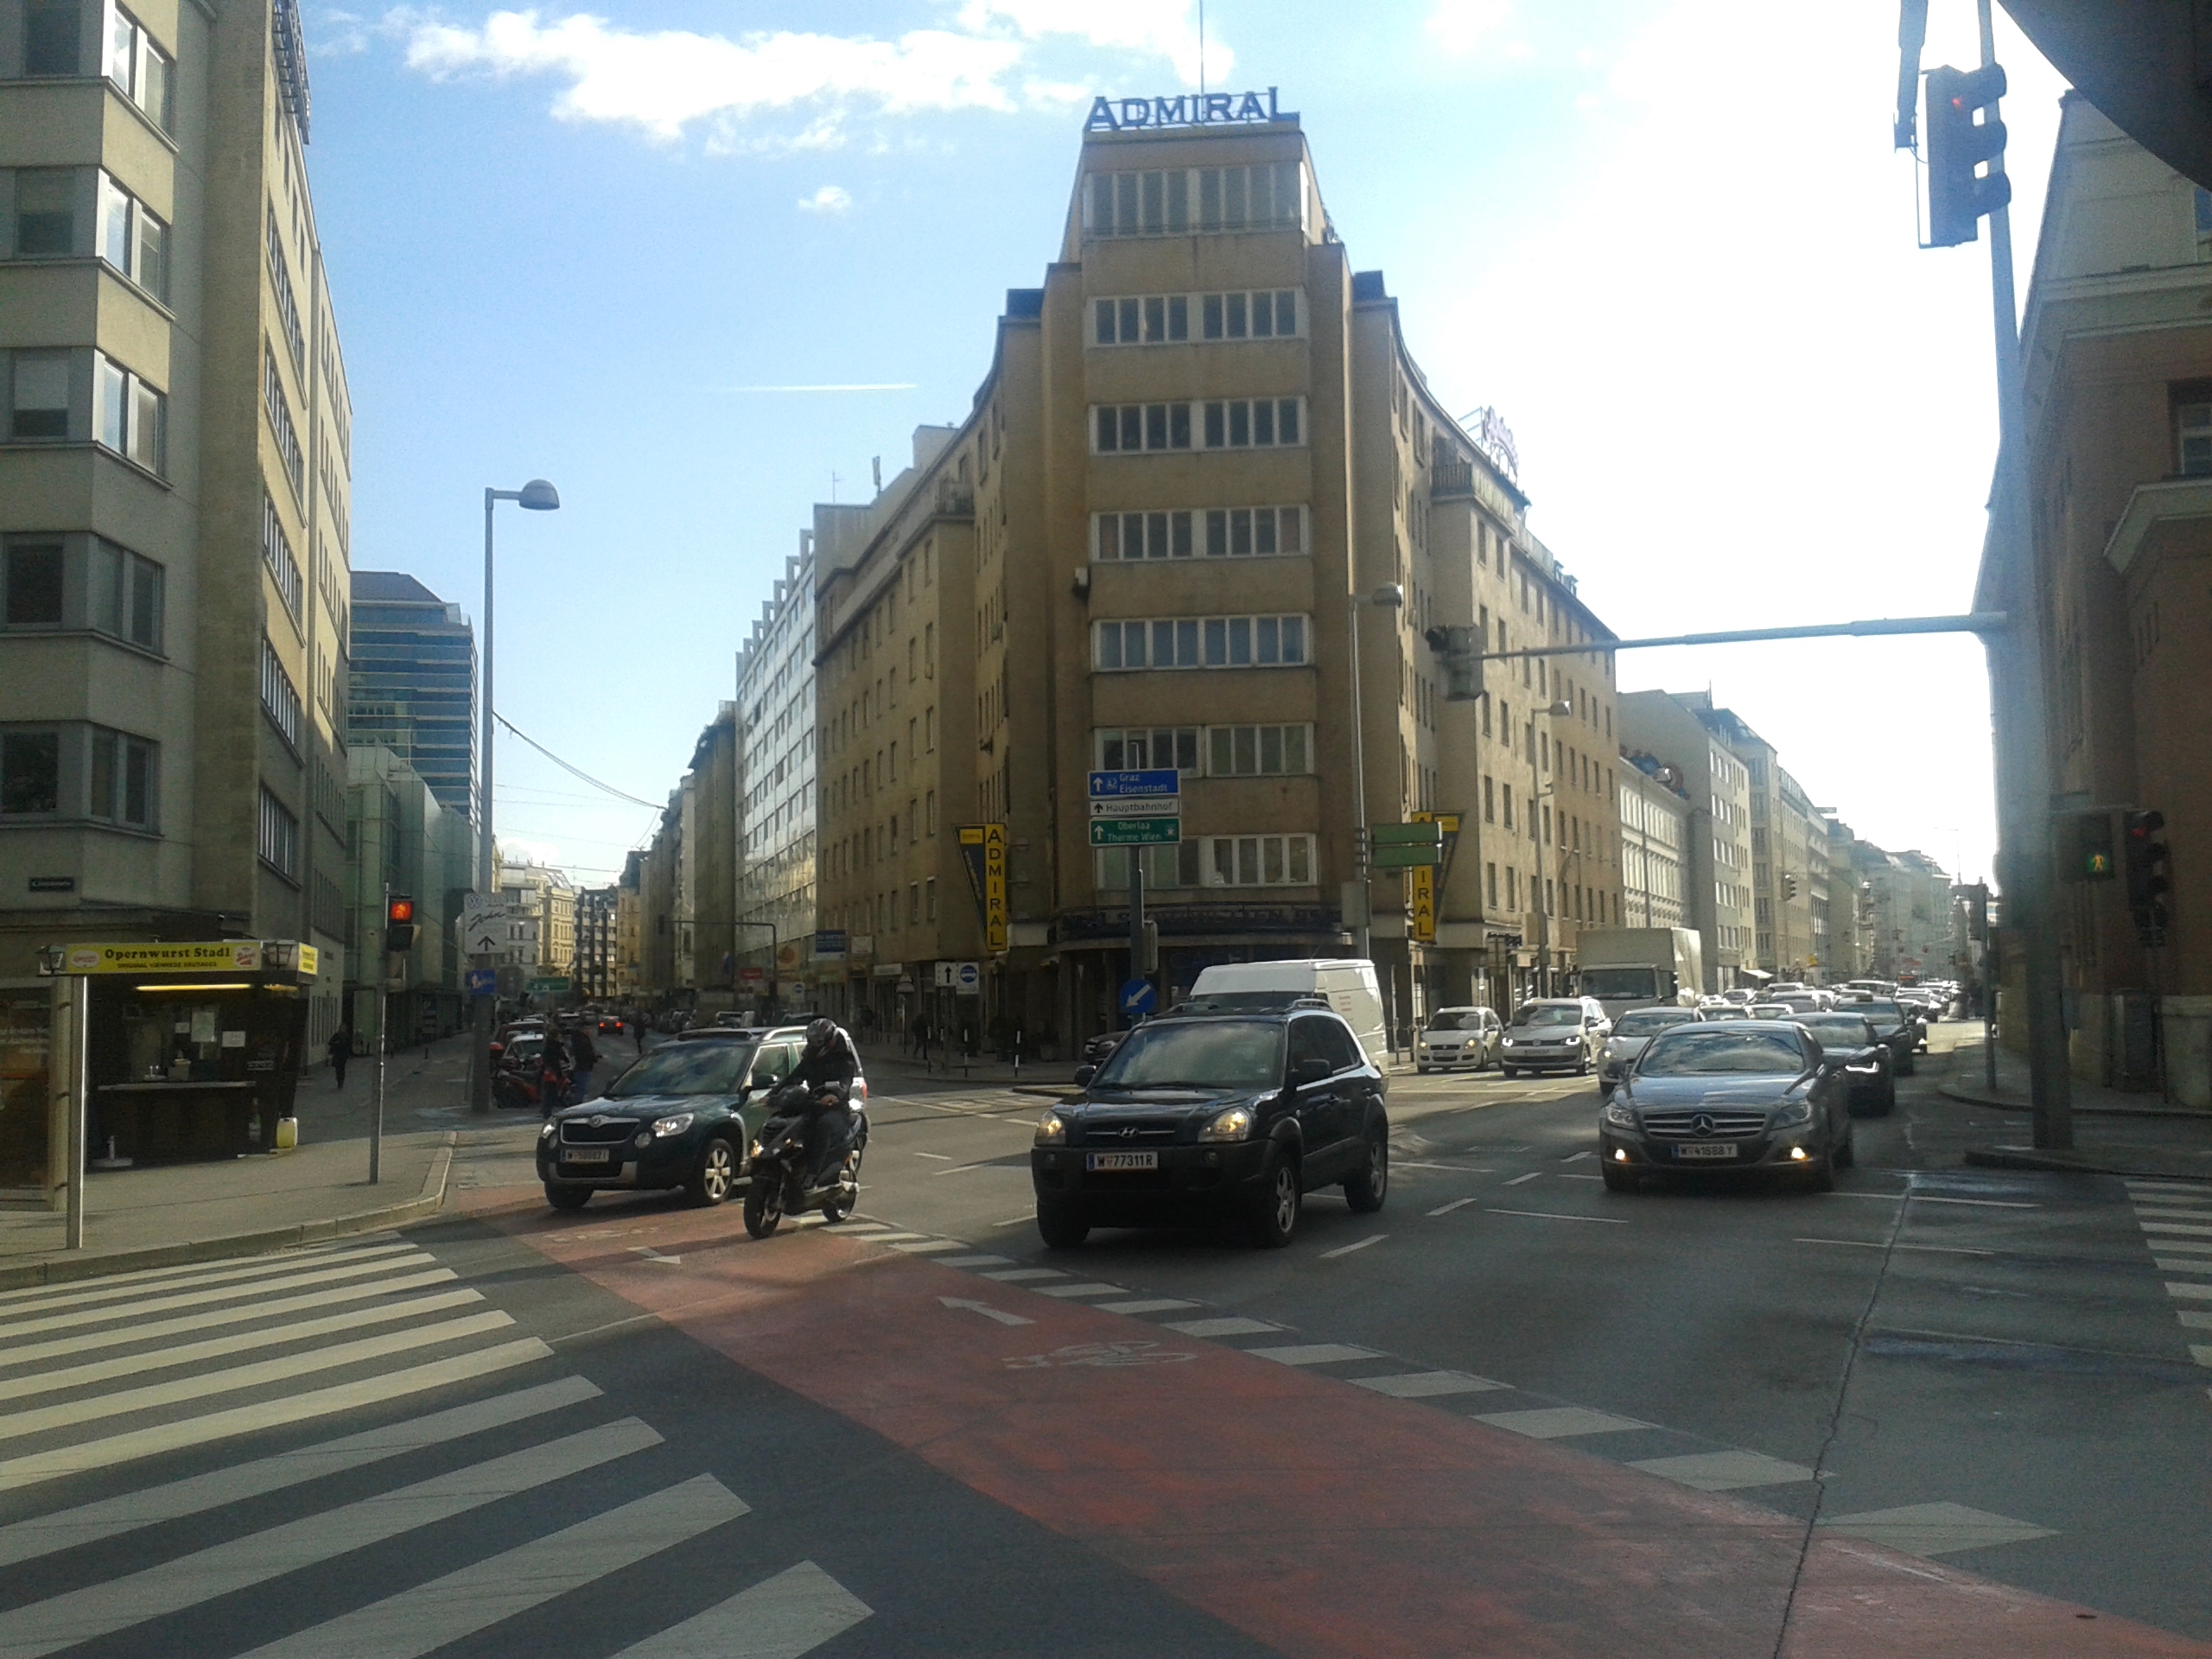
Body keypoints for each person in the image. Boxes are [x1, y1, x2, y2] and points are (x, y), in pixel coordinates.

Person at [791, 1016, 861, 1184]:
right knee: (792, 1123)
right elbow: (793, 1077)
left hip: (836, 1110)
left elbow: (845, 1081)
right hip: (813, 1105)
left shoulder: (844, 1059)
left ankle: (813, 1173)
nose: (815, 1045)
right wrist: (772, 1095)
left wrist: (835, 1095)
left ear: (830, 1041)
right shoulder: (810, 1059)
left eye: (819, 1041)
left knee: (823, 1125)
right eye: (812, 1041)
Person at [569, 1024, 600, 1100]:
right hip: (583, 1066)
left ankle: (578, 1100)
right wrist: (594, 1058)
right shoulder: (583, 1041)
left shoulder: (579, 1039)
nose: (588, 1031)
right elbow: (587, 1052)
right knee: (582, 1087)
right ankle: (578, 1102)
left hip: (581, 1066)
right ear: (582, 1030)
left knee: (581, 1086)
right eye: (587, 1029)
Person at [327, 1021, 353, 1088]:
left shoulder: (346, 1036)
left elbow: (349, 1045)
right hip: (338, 1054)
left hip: (343, 1054)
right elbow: (330, 1042)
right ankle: (339, 1080)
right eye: (341, 1028)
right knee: (338, 1068)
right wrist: (336, 1043)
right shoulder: (337, 1035)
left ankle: (341, 1081)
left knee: (341, 1068)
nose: (341, 1029)